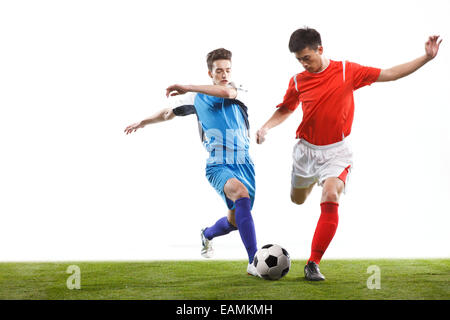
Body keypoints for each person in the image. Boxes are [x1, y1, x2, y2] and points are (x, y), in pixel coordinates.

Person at [256, 27, 442, 281]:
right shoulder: (298, 81)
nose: (303, 64)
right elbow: (286, 109)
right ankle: (308, 184)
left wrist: (426, 58)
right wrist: (265, 127)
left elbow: (389, 74)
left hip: (336, 152)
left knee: (331, 193)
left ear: (320, 49)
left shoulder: (346, 71)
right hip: (305, 152)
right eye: (298, 59)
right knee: (297, 199)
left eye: (306, 58)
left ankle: (313, 263)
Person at [124, 48, 259, 276]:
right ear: (210, 73)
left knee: (234, 221)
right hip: (218, 164)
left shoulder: (238, 89)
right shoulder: (196, 98)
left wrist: (187, 86)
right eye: (219, 71)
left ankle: (207, 234)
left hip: (245, 163)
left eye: (228, 70)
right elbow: (167, 113)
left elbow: (227, 93)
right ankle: (254, 262)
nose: (224, 74)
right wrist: (143, 122)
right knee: (241, 194)